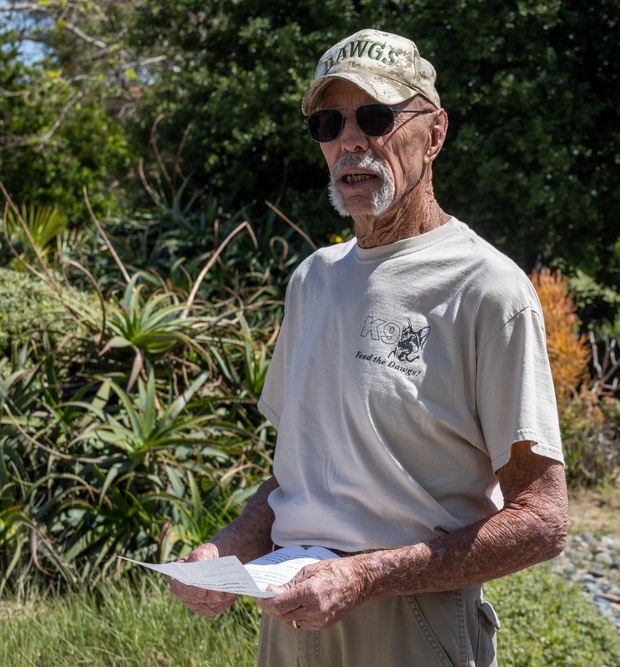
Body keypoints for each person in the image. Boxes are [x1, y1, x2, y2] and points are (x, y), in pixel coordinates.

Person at [168, 27, 568, 667]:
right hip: (289, 623)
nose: (350, 140)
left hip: (412, 625)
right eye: (329, 123)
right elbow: (294, 477)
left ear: (434, 134)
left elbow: (542, 523)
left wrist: (366, 577)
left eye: (376, 116)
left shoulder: (488, 289)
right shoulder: (313, 280)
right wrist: (228, 549)